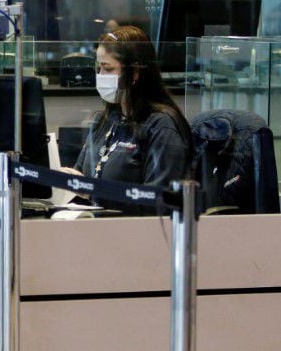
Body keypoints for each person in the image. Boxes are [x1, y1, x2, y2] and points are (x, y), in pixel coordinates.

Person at [62, 25, 191, 213]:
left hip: (134, 228)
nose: (100, 76)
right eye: (98, 68)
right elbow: (82, 180)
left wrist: (94, 192)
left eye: (108, 68)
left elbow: (158, 204)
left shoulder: (161, 127)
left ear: (135, 73)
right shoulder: (103, 121)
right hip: (92, 223)